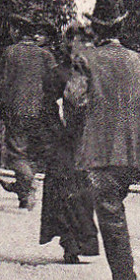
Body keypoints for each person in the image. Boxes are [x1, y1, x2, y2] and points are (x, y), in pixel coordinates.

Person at [64, 0, 140, 280]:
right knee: (113, 206)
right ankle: (126, 279)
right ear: (121, 27)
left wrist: (76, 128)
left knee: (110, 213)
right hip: (134, 153)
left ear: (96, 29)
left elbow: (73, 99)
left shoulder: (85, 60)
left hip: (100, 151)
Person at [40, 24, 99, 264]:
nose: (83, 47)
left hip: (89, 141)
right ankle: (69, 243)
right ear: (69, 44)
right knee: (64, 191)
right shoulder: (59, 73)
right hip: (65, 141)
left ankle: (83, 242)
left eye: (87, 42)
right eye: (78, 42)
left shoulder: (95, 72)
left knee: (84, 192)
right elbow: (46, 106)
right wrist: (58, 132)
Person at [0, 16, 58, 209]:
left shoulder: (10, 52)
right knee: (32, 154)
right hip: (40, 113)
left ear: (17, 32)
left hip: (16, 112)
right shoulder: (46, 56)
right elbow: (54, 86)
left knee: (17, 155)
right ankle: (23, 191)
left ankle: (28, 185)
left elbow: (0, 84)